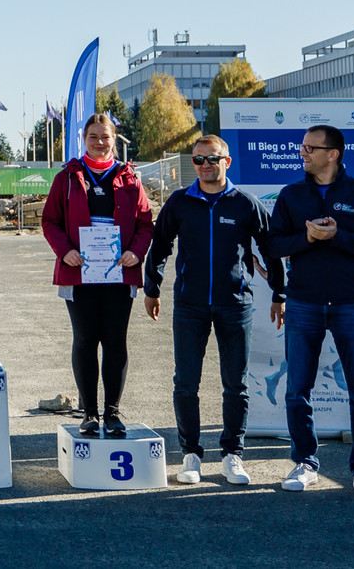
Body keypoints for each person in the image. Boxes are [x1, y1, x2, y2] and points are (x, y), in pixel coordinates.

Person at [144, 134, 283, 485]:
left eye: (212, 159)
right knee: (185, 383)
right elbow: (159, 246)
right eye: (198, 159)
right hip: (189, 305)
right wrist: (152, 288)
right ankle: (190, 454)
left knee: (235, 384)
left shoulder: (245, 204)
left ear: (227, 162)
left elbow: (270, 249)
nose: (205, 165)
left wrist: (280, 293)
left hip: (235, 305)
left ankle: (232, 454)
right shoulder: (179, 202)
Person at [269, 124, 354, 500]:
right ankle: (305, 463)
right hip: (303, 303)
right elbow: (274, 245)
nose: (302, 153)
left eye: (310, 148)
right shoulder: (291, 194)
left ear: (332, 154)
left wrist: (338, 236)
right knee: (297, 391)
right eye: (303, 147)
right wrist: (307, 237)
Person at [41, 113, 153, 438]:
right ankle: (89, 413)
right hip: (79, 273)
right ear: (84, 139)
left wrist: (136, 252)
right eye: (93, 136)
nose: (100, 142)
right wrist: (64, 250)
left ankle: (113, 413)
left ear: (114, 140)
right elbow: (50, 221)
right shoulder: (67, 177)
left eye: (105, 137)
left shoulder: (129, 178)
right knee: (86, 339)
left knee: (115, 340)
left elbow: (145, 223)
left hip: (119, 272)